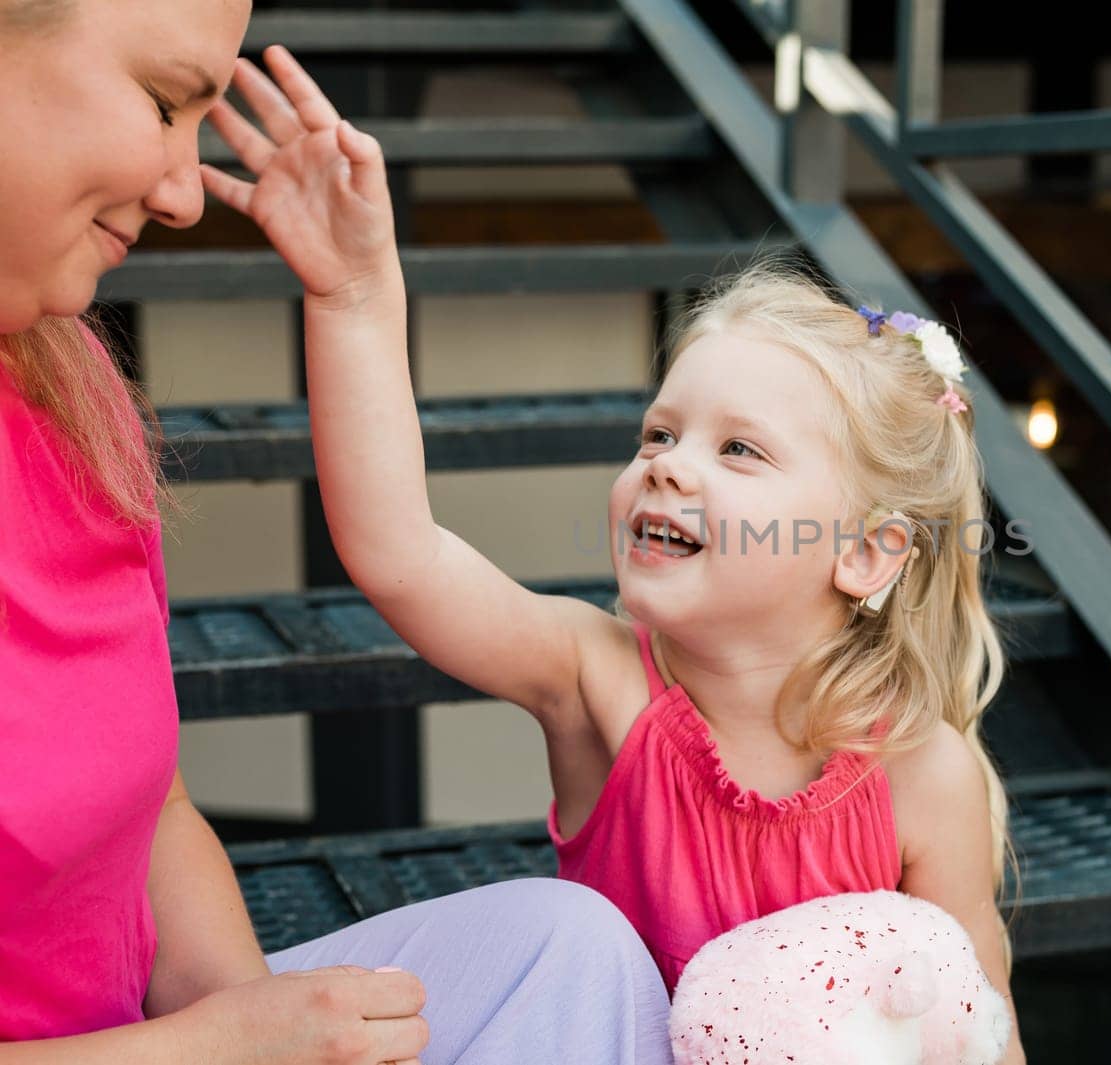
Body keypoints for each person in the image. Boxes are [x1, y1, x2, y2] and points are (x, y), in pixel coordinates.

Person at [205, 36, 1027, 1062]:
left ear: (864, 555)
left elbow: (975, 1016)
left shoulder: (923, 773)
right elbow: (400, 552)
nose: (669, 467)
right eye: (657, 434)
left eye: (737, 449)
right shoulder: (598, 682)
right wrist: (355, 294)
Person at [0, 3, 671, 1062]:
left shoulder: (69, 385)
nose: (183, 193)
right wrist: (217, 1050)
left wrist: (272, 1027)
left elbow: (155, 810)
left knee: (566, 945)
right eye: (165, 101)